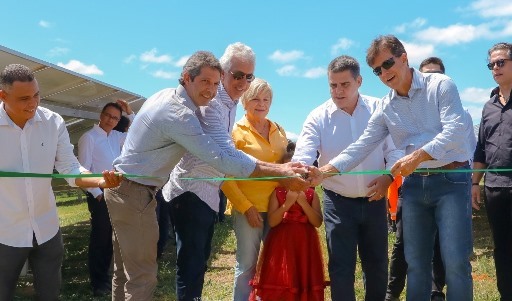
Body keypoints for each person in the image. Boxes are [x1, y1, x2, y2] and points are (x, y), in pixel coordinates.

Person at [104, 50, 313, 301]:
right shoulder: (183, 114)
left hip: (131, 188)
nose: (211, 90)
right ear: (186, 77)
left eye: (215, 83)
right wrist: (281, 172)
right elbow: (222, 157)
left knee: (126, 272)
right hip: (143, 192)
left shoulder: (174, 99)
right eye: (206, 82)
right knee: (143, 276)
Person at [318, 35, 474, 301]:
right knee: (415, 263)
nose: (384, 72)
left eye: (387, 63)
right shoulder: (386, 106)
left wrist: (419, 156)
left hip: (452, 179)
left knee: (456, 261)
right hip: (413, 186)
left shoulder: (441, 85)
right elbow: (362, 145)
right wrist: (324, 172)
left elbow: (457, 130)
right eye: (377, 70)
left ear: (404, 57)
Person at [0, 63, 122, 300]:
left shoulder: (53, 122)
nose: (33, 103)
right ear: (3, 96)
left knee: (50, 293)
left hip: (46, 229)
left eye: (36, 95)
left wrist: (101, 181)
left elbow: (70, 167)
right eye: (24, 98)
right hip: (5, 231)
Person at [293, 55, 403, 301]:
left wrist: (388, 177)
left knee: (376, 266)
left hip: (375, 199)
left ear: (359, 81)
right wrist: (302, 171)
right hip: (337, 202)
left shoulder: (381, 108)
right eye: (333, 85)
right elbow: (304, 154)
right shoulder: (317, 117)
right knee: (341, 268)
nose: (338, 91)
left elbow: (395, 150)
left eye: (345, 84)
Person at [220, 78, 288, 301]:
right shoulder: (235, 132)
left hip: (277, 208)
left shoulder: (279, 131)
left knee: (274, 263)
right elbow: (226, 177)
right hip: (249, 209)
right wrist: (246, 207)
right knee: (247, 264)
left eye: (266, 99)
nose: (261, 104)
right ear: (245, 102)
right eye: (255, 99)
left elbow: (285, 169)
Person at [249, 141, 327, 301]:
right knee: (284, 276)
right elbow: (272, 221)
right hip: (282, 243)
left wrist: (304, 203)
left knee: (302, 275)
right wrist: (288, 203)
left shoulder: (311, 194)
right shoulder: (277, 192)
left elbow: (317, 222)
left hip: (306, 243)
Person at [77, 100, 135, 296]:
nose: (111, 120)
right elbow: (83, 170)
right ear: (101, 115)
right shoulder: (89, 137)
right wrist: (97, 194)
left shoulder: (117, 137)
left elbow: (137, 134)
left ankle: (109, 277)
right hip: (100, 195)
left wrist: (130, 112)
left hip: (116, 193)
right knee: (100, 238)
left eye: (116, 118)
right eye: (108, 115)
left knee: (113, 237)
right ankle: (98, 282)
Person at [472, 42, 512, 301]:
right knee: (503, 249)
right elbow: (481, 150)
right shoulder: (488, 107)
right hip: (495, 189)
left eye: (501, 63)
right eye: (491, 64)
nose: (495, 68)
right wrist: (475, 184)